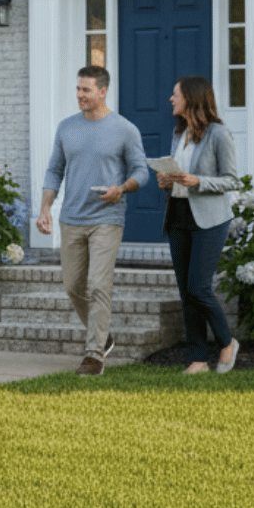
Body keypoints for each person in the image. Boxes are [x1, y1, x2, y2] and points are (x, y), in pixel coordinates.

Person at [35, 65, 149, 377]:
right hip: (71, 218)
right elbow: (54, 170)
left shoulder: (125, 129)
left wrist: (122, 189)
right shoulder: (66, 127)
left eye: (86, 90)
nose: (79, 95)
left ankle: (94, 353)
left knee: (99, 284)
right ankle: (102, 334)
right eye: (78, 89)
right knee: (73, 286)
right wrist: (45, 208)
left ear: (102, 91)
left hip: (107, 218)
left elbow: (141, 171)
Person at [155, 76, 242, 374]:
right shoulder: (178, 133)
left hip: (209, 220)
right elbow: (177, 178)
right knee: (185, 291)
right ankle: (198, 359)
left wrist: (198, 181)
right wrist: (165, 180)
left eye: (175, 93)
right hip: (178, 215)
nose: (170, 98)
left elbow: (232, 180)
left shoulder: (218, 134)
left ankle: (227, 342)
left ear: (191, 98)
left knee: (198, 287)